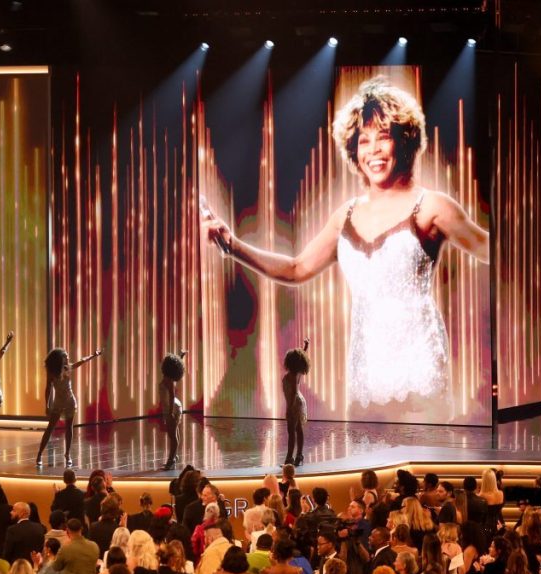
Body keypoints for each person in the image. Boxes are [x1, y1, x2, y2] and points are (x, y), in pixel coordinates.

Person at [203, 78, 489, 424]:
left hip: (420, 371)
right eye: (362, 141)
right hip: (365, 373)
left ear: (404, 140)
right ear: (353, 150)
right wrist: (233, 245)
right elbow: (296, 269)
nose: (373, 150)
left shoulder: (432, 206)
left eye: (383, 136)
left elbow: (492, 250)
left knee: (419, 461)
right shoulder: (346, 215)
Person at [36, 347, 103, 468]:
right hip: (58, 403)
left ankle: (67, 455)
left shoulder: (68, 367)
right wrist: (46, 405)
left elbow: (82, 360)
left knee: (69, 428)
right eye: (65, 356)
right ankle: (39, 454)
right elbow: (48, 389)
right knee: (50, 428)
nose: (68, 358)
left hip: (70, 402)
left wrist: (94, 355)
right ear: (59, 359)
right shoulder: (51, 372)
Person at [281, 341, 310, 466]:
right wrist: (305, 347)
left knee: (291, 431)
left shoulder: (292, 375)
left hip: (295, 403)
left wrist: (289, 409)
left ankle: (289, 459)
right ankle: (299, 455)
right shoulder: (298, 372)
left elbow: (293, 392)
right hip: (299, 401)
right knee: (298, 430)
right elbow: (301, 356)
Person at [159, 352, 187, 470]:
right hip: (172, 407)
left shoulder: (169, 381)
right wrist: (181, 356)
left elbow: (171, 395)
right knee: (173, 433)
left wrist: (170, 412)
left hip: (173, 408)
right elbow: (175, 365)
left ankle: (171, 460)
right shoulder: (169, 377)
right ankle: (174, 456)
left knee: (173, 435)